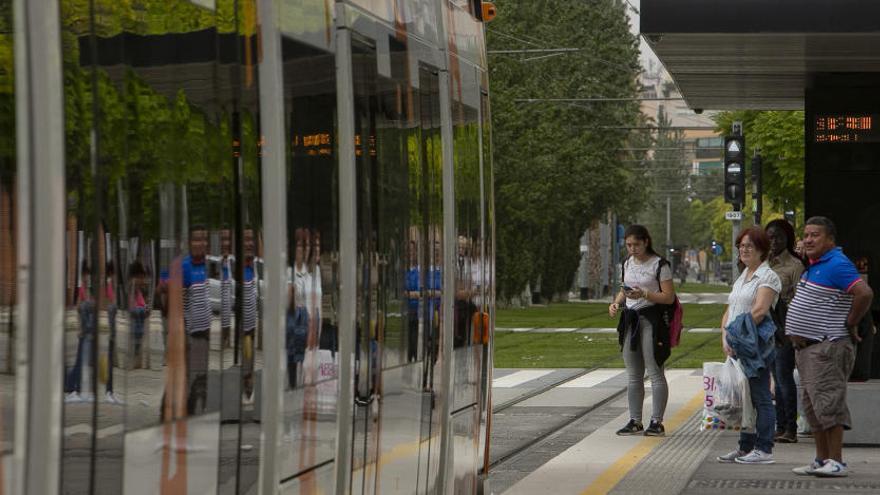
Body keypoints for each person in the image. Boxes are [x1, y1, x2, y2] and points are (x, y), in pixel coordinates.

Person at [785, 217, 874, 477]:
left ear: (830, 240)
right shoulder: (814, 265)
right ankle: (821, 460)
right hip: (808, 350)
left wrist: (851, 321)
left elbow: (864, 293)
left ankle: (836, 461)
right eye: (806, 235)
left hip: (827, 347)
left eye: (815, 235)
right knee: (814, 408)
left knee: (829, 404)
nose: (808, 240)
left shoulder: (837, 264)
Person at [717, 226, 781, 465]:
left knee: (761, 396)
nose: (743, 250)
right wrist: (724, 336)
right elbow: (730, 309)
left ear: (762, 250)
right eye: (741, 246)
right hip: (735, 345)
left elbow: (759, 311)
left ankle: (764, 449)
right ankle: (745, 447)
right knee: (746, 399)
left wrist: (733, 336)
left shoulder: (768, 277)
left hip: (755, 345)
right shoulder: (742, 276)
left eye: (749, 246)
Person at [609, 225, 676, 437]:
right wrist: (617, 302)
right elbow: (624, 288)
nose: (632, 249)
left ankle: (657, 421)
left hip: (652, 319)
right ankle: (635, 419)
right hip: (630, 319)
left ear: (646, 242)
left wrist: (645, 294)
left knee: (655, 370)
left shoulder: (659, 265)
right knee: (633, 374)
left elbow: (669, 297)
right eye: (628, 245)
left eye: (636, 244)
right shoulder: (627, 262)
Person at [765, 219, 804, 444]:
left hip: (787, 327)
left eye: (778, 237)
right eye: (770, 237)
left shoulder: (795, 266)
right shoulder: (764, 263)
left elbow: (800, 299)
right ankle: (780, 426)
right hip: (767, 327)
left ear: (788, 238)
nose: (774, 241)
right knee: (775, 378)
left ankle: (790, 427)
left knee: (783, 377)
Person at [182, 226, 212, 414]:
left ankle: (200, 408)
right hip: (192, 333)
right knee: (191, 374)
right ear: (189, 243)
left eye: (203, 239)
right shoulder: (186, 266)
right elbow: (183, 303)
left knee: (202, 374)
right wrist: (184, 333)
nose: (200, 243)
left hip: (206, 331)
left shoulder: (208, 265)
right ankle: (188, 410)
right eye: (196, 239)